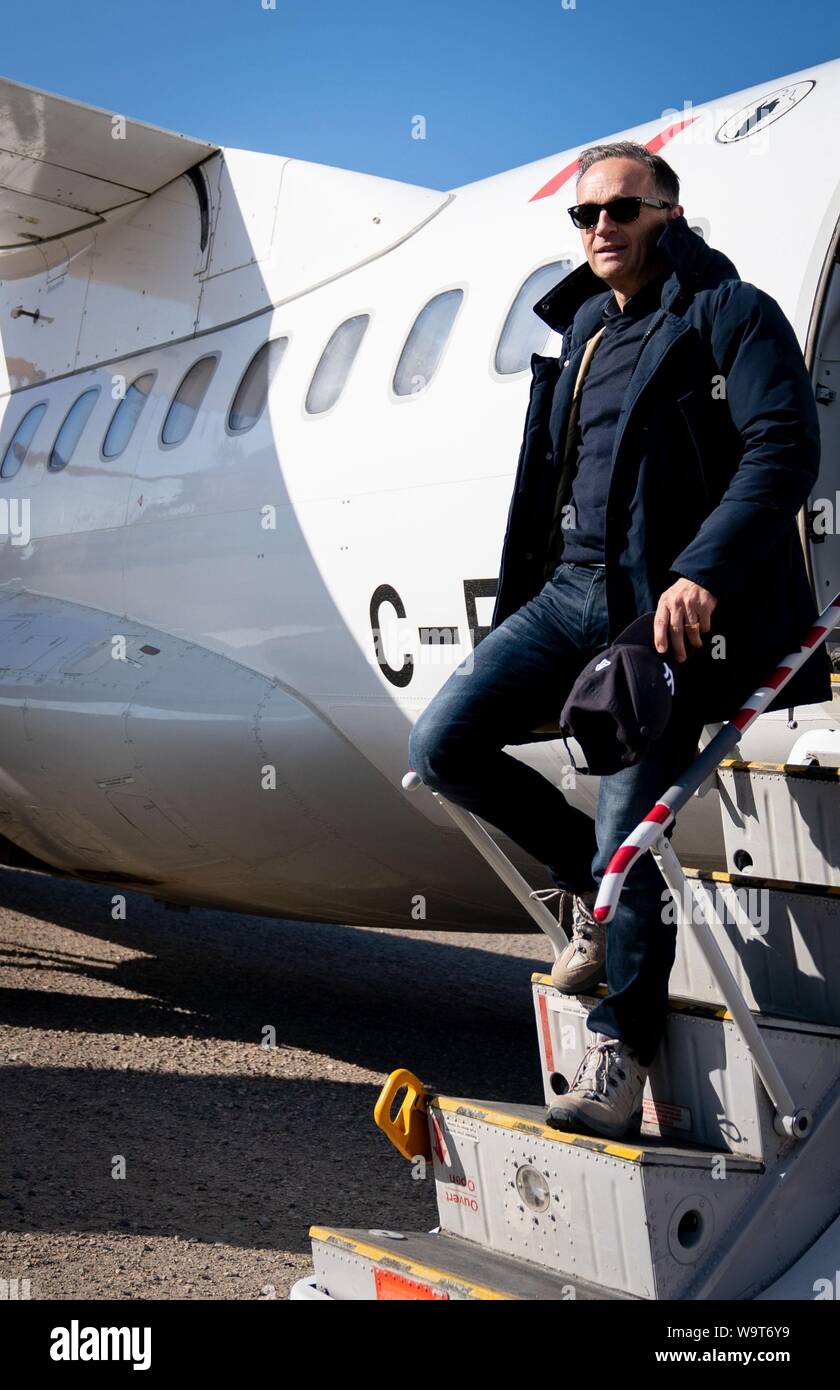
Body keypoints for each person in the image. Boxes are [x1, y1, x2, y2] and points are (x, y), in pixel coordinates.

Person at [407, 139, 831, 1140]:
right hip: (568, 594)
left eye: (623, 210)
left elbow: (784, 448)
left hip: (661, 614)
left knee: (630, 833)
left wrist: (705, 572)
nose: (600, 227)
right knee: (443, 747)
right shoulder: (589, 328)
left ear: (669, 215)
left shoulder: (732, 313)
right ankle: (591, 901)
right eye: (586, 214)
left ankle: (620, 1053)